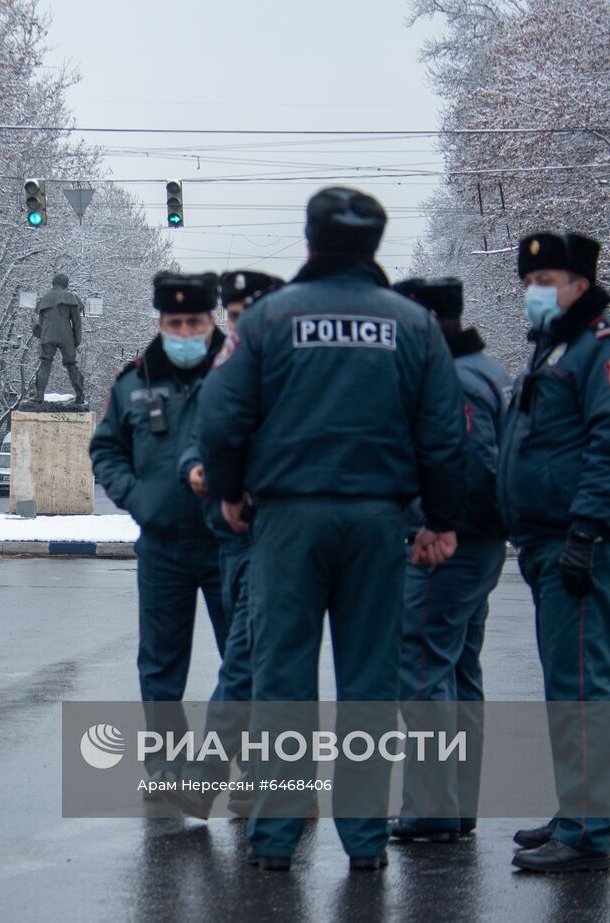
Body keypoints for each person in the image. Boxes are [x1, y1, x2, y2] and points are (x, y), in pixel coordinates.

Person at [198, 187, 466, 873]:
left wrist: (230, 492)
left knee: (282, 677)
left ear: (310, 242)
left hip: (288, 519)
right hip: (379, 520)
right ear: (374, 246)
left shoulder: (265, 321)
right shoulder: (414, 325)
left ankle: (274, 838)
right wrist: (439, 520)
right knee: (370, 681)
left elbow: (223, 414)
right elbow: (441, 433)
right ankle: (366, 841)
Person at [498, 231, 610, 873]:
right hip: (547, 538)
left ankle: (587, 832)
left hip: (577, 541)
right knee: (566, 686)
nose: (534, 294)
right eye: (529, 284)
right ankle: (573, 813)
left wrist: (586, 533)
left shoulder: (607, 349)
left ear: (580, 285)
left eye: (546, 283)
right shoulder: (560, 346)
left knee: (581, 686)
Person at [90, 271, 230, 796]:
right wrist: (139, 498)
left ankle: (233, 766)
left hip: (230, 545)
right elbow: (106, 450)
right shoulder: (134, 381)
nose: (187, 331)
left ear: (212, 319)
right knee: (160, 665)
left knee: (245, 661)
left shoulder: (237, 373)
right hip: (164, 546)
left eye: (195, 321)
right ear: (162, 323)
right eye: (176, 322)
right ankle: (167, 770)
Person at [388, 277, 512, 845]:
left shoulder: (454, 380)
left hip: (449, 544)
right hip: (479, 545)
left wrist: (438, 526)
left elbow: (468, 465)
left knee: (421, 669)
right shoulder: (486, 369)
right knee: (460, 671)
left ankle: (431, 809)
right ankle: (456, 805)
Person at [162, 269, 283, 822]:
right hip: (229, 538)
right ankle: (269, 785)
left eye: (246, 316)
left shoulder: (288, 370)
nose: (238, 328)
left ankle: (219, 779)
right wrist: (195, 471)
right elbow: (194, 441)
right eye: (232, 318)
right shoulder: (222, 372)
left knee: (254, 661)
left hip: (275, 534)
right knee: (260, 662)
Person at [34, 273, 87, 403]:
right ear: (66, 284)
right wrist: (77, 340)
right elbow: (76, 322)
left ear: (53, 283)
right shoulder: (71, 297)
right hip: (66, 336)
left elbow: (41, 323)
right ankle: (80, 395)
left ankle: (40, 395)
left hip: (47, 335)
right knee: (71, 365)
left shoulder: (44, 299)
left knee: (45, 363)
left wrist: (44, 337)